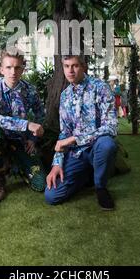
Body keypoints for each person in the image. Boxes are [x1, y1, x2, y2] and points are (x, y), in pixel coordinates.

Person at [45, 55, 118, 211]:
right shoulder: (65, 95)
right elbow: (64, 133)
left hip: (96, 148)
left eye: (75, 65)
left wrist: (74, 139)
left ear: (83, 66)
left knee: (107, 144)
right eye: (66, 66)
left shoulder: (100, 87)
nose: (70, 70)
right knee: (51, 196)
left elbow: (111, 127)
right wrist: (57, 163)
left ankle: (100, 187)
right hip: (76, 154)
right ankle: (85, 175)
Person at [0, 51, 46, 202]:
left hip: (21, 142)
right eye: (9, 67)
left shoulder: (30, 90)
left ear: (22, 69)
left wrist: (32, 139)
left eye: (17, 68)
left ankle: (15, 163)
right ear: (1, 69)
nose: (13, 72)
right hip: (0, 138)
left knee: (40, 184)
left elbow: (40, 114)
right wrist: (27, 124)